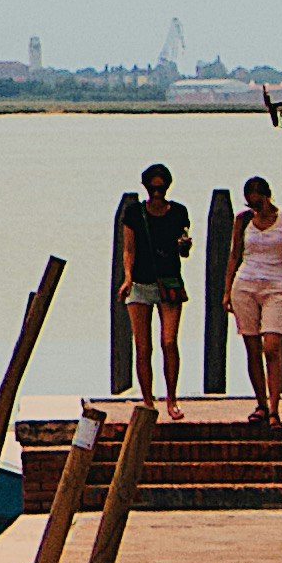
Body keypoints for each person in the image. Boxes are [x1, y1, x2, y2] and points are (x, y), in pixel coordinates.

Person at [226, 173, 282, 427]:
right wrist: (226, 290)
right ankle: (261, 404)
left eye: (258, 202)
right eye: (251, 204)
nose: (255, 209)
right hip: (245, 285)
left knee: (272, 347)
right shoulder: (242, 221)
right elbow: (234, 255)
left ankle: (275, 407)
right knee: (252, 348)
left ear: (267, 196)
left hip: (275, 286)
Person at [113, 166, 193, 398]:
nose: (157, 193)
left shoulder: (178, 212)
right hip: (139, 283)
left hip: (169, 283)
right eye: (153, 188)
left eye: (161, 188)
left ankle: (171, 397)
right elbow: (129, 249)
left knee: (169, 342)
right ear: (146, 188)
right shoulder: (134, 213)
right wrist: (127, 278)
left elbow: (184, 249)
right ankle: (148, 399)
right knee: (142, 347)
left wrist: (184, 246)